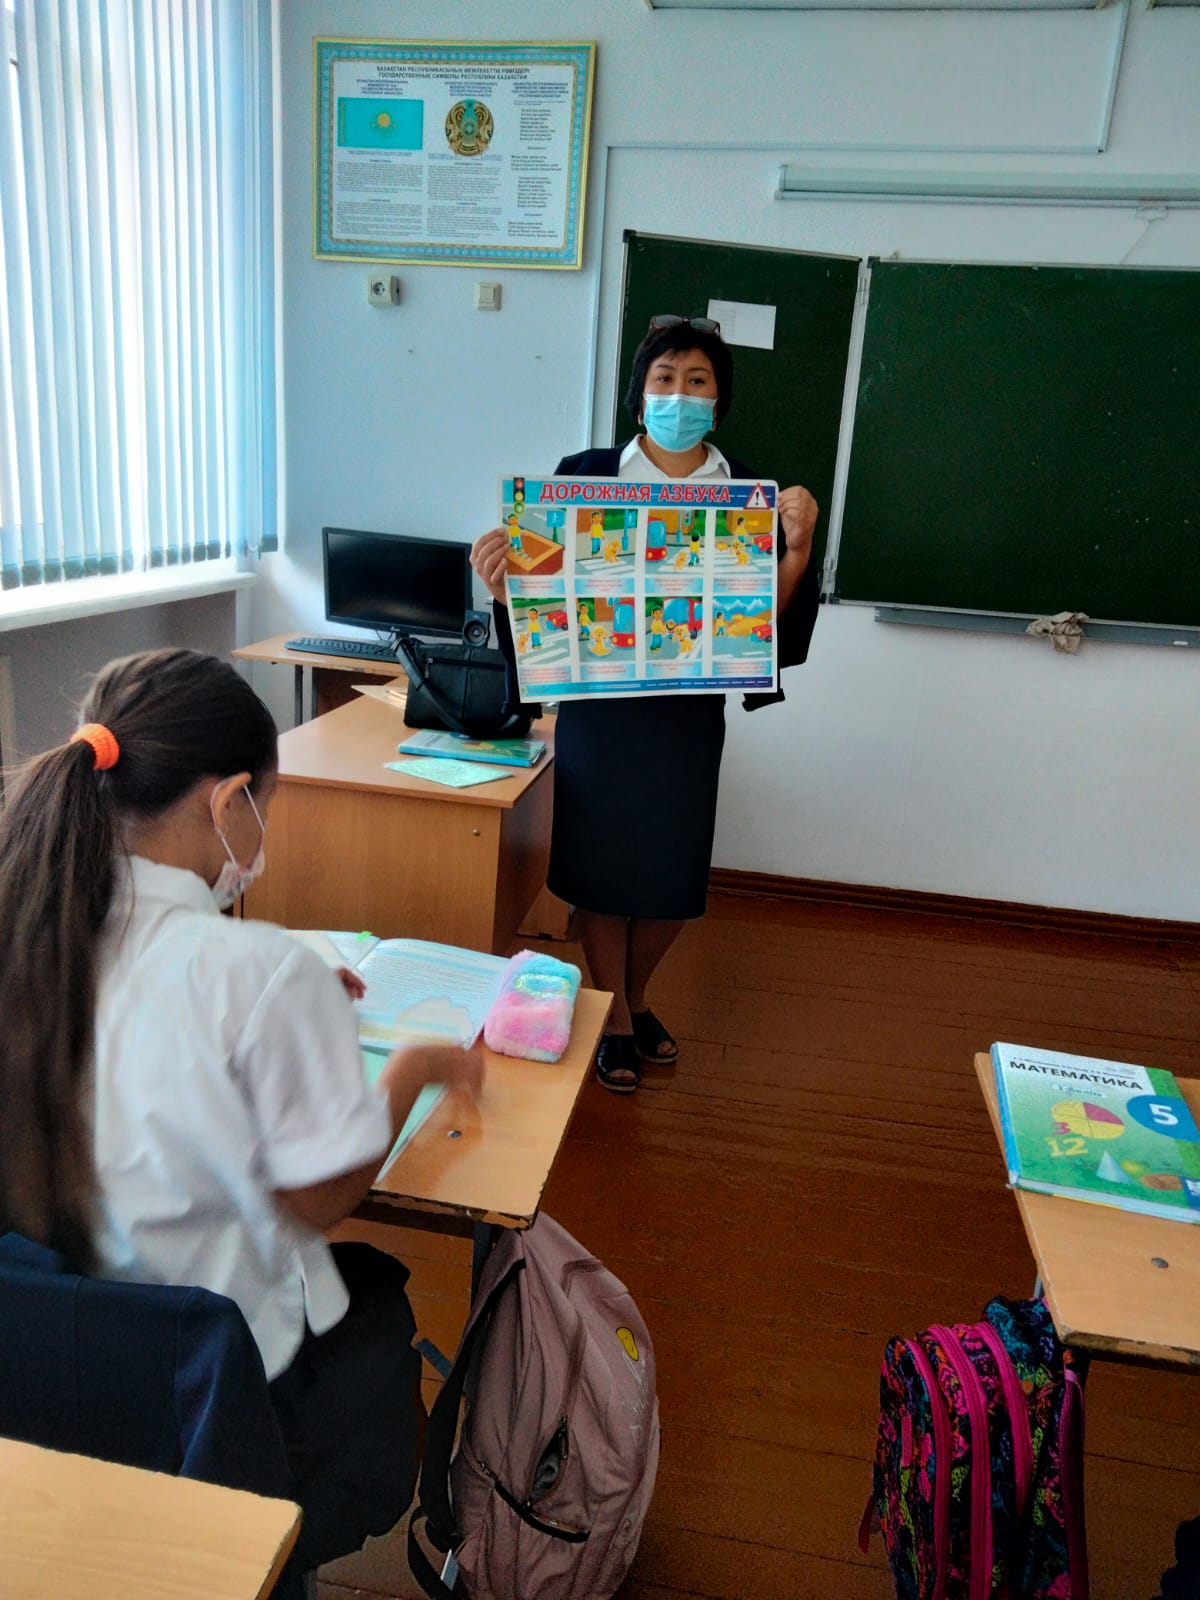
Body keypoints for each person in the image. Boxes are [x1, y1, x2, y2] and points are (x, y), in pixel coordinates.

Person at [0, 648, 483, 1578]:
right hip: (207, 1388)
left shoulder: (31, 926)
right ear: (227, 803)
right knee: (376, 1311)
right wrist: (412, 1070)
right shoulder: (258, 972)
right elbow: (316, 1198)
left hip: (43, 1362)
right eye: (265, 805)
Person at [472, 316, 821, 1094]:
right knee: (601, 872)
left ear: (718, 400)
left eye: (698, 380)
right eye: (665, 379)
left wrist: (795, 552)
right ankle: (615, 1019)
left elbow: (762, 627)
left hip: (685, 719)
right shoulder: (582, 476)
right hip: (602, 715)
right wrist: (503, 589)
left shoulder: (746, 494)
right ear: (639, 396)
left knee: (672, 879)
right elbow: (542, 606)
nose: (680, 394)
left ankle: (634, 996)